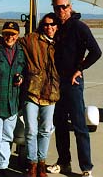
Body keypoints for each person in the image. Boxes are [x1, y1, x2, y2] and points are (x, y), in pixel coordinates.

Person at [47, 0, 102, 177]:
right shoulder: (56, 27)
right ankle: (64, 163)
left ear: (70, 7)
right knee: (60, 123)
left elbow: (96, 51)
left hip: (73, 82)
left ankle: (86, 168)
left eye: (63, 7)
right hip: (57, 83)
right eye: (57, 7)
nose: (60, 11)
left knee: (79, 126)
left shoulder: (79, 27)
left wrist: (80, 68)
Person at [18, 13, 60, 177]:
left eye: (53, 24)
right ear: (42, 26)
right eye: (46, 24)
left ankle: (42, 163)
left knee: (45, 130)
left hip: (51, 93)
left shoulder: (60, 43)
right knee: (31, 130)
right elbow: (15, 42)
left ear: (57, 26)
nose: (49, 27)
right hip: (33, 91)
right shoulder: (32, 39)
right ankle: (32, 164)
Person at [0, 21, 26, 177]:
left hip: (12, 103)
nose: (10, 37)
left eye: (13, 34)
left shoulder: (21, 51)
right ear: (2, 34)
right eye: (7, 33)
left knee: (7, 137)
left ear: (17, 36)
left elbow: (23, 69)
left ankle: (4, 165)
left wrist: (20, 77)